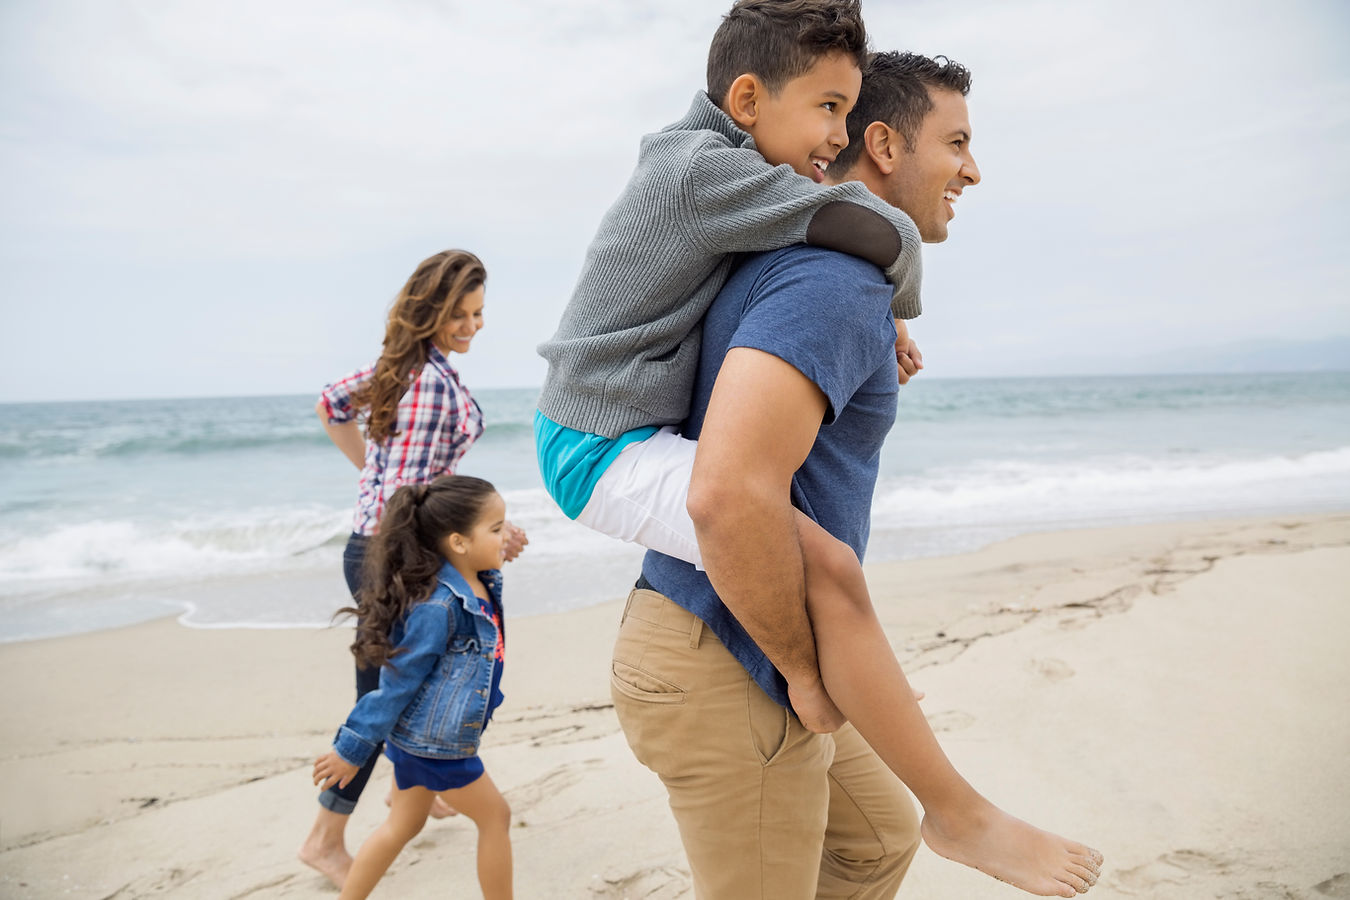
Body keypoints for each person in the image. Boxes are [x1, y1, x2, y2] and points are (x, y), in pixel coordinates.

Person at [610, 50, 1103, 898]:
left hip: (721, 632)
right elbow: (727, 495)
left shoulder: (812, 265)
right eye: (956, 143)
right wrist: (799, 665)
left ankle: (950, 814)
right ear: (881, 143)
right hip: (729, 649)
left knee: (875, 840)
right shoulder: (832, 283)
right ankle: (964, 815)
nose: (973, 170)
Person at [535, 0, 924, 572]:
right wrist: (900, 298)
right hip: (594, 448)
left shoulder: (717, 166)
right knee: (812, 565)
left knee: (813, 547)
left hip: (607, 432)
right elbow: (878, 228)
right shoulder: (702, 171)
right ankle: (805, 668)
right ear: (747, 102)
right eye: (830, 107)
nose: (844, 136)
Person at [299, 249, 527, 888]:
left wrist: (374, 483)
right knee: (389, 688)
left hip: (377, 541)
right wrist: (464, 532)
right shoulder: (426, 382)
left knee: (403, 681)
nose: (473, 325)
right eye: (460, 314)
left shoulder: (404, 366)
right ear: (430, 311)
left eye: (479, 314)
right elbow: (418, 484)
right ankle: (326, 836)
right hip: (392, 554)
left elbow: (331, 406)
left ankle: (419, 785)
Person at [313, 475, 513, 900]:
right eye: (497, 529)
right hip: (437, 747)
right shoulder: (438, 606)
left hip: (418, 740)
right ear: (458, 542)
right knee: (496, 817)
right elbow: (396, 685)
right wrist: (352, 748)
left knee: (402, 826)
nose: (506, 535)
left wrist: (500, 541)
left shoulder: (478, 579)